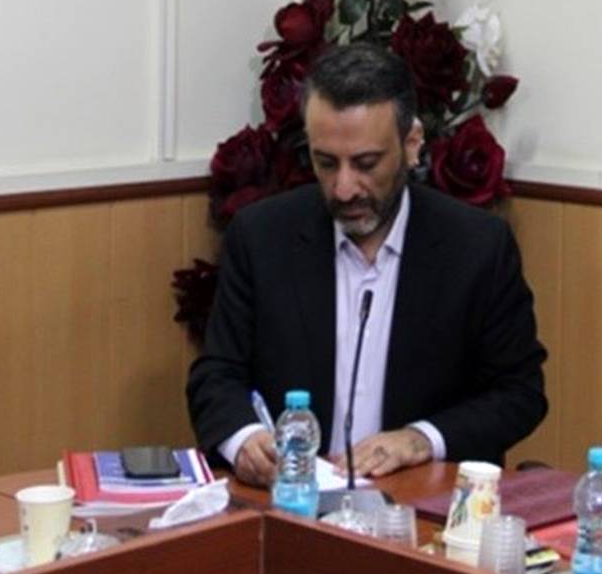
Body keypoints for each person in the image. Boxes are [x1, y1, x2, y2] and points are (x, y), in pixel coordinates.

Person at [186, 44, 547, 487]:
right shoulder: (262, 236)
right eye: (325, 163)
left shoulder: (476, 247)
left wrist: (421, 439)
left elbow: (519, 393)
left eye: (366, 164)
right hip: (292, 500)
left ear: (411, 145)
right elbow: (216, 376)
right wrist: (244, 440)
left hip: (418, 502)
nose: (343, 188)